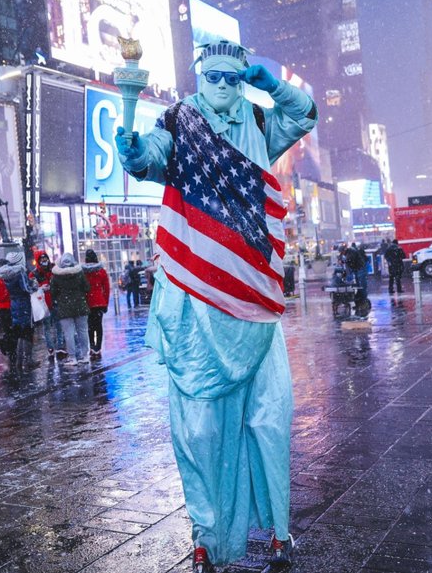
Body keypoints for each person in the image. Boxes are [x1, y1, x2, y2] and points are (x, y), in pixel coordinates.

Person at [116, 39, 316, 571]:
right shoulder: (178, 120)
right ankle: (207, 534)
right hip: (196, 299)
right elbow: (149, 157)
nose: (224, 85)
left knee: (271, 419)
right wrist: (133, 149)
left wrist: (269, 83)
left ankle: (277, 531)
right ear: (200, 74)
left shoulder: (256, 117)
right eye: (216, 76)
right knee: (199, 431)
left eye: (234, 76)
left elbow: (303, 115)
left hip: (252, 295)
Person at [0, 252, 40, 371]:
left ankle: (18, 361)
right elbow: (26, 288)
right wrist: (34, 285)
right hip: (24, 304)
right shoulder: (20, 272)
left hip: (14, 304)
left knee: (19, 331)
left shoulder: (6, 273)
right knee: (27, 331)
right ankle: (28, 360)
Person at [50, 253, 90, 365]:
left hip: (64, 308)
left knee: (69, 333)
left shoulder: (56, 276)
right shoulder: (79, 273)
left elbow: (53, 292)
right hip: (80, 306)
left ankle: (72, 357)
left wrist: (60, 298)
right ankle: (85, 355)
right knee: (82, 331)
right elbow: (87, 287)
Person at [31, 251, 65, 360]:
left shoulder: (54, 270)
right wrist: (41, 288)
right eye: (42, 260)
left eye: (45, 259)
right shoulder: (34, 274)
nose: (44, 261)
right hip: (44, 304)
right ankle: (51, 347)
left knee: (58, 325)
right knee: (48, 327)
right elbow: (33, 288)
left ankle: (60, 347)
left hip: (55, 301)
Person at [83, 249, 110, 358]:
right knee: (98, 325)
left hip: (88, 302)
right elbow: (106, 288)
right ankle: (98, 348)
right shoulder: (101, 271)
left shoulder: (83, 272)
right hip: (99, 302)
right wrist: (106, 303)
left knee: (90, 326)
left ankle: (92, 346)